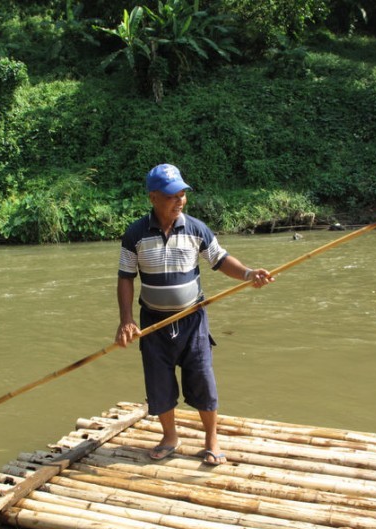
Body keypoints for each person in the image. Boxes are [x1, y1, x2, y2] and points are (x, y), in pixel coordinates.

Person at [115, 163, 274, 466]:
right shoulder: (135, 234)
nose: (180, 201)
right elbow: (125, 277)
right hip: (154, 323)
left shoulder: (196, 228)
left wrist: (249, 274)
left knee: (202, 377)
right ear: (153, 197)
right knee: (159, 382)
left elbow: (220, 259)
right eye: (172, 195)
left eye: (183, 194)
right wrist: (126, 320)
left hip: (193, 320)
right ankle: (170, 437)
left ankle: (211, 439)